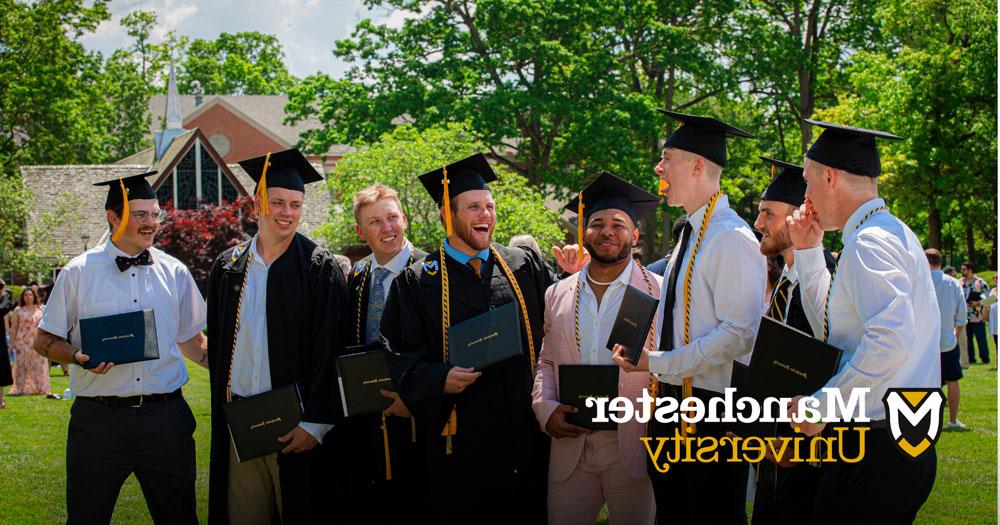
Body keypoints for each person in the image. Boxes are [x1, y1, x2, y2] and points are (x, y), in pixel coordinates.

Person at [380, 152, 558, 523]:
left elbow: (561, 325)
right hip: (461, 439)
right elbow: (398, 353)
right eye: (474, 206)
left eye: (490, 206)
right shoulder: (417, 282)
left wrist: (573, 279)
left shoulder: (522, 265)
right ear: (448, 214)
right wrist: (437, 378)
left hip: (526, 436)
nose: (486, 215)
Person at [612, 110, 766, 524]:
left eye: (668, 158)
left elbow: (740, 335)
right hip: (672, 406)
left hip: (710, 413)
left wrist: (658, 363)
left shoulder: (731, 238)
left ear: (698, 165)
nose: (659, 168)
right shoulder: (691, 234)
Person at [33, 171, 209, 524]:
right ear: (113, 217)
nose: (150, 223)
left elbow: (192, 341)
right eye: (139, 215)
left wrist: (238, 376)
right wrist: (77, 358)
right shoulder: (78, 272)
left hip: (166, 421)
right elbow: (44, 341)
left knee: (180, 518)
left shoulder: (175, 272)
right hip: (99, 424)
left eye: (154, 214)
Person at [786, 120, 939, 523]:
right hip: (899, 440)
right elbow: (830, 329)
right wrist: (807, 251)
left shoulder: (870, 242)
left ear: (830, 177)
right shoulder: (887, 233)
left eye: (808, 181)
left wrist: (822, 406)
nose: (806, 194)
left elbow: (890, 341)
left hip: (877, 447)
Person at [205, 148, 348, 525]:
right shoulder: (228, 267)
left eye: (296, 204)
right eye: (278, 202)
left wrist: (316, 423)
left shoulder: (320, 268)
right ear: (258, 202)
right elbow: (219, 348)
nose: (287, 212)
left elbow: (333, 349)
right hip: (243, 423)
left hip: (296, 426)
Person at [532, 172, 660, 524]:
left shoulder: (659, 293)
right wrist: (545, 409)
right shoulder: (557, 293)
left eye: (618, 224)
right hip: (572, 439)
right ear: (583, 232)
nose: (607, 232)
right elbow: (547, 359)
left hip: (633, 443)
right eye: (597, 223)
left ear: (634, 235)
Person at [750, 156, 837, 524]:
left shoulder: (826, 281)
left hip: (809, 454)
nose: (758, 224)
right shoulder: (784, 280)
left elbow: (831, 368)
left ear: (798, 215)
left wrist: (795, 440)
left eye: (768, 214)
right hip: (772, 451)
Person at [340, 182, 428, 523]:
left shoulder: (433, 272)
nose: (386, 227)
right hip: (368, 413)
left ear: (405, 220)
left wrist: (415, 398)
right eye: (375, 222)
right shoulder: (359, 275)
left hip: (417, 416)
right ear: (362, 232)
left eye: (392, 217)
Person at [926, 249, 968, 431]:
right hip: (947, 340)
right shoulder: (953, 283)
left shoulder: (921, 281)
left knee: (927, 383)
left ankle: (928, 422)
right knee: (953, 380)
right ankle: (952, 420)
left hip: (926, 342)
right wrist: (956, 336)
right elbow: (962, 315)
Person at [9, 288, 49, 396]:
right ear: (22, 297)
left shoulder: (40, 309)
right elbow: (14, 328)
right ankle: (20, 388)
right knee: (22, 365)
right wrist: (12, 343)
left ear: (34, 296)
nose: (28, 297)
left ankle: (40, 387)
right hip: (22, 341)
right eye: (25, 295)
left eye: (30, 294)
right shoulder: (18, 310)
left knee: (39, 365)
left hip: (37, 341)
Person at [960, 262, 991, 364]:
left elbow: (990, 299)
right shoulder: (960, 282)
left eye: (964, 269)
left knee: (981, 339)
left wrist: (978, 303)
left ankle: (985, 358)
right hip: (964, 316)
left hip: (978, 316)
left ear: (970, 270)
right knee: (968, 339)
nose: (962, 271)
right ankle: (971, 359)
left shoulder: (980, 282)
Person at [0, 279, 14, 408]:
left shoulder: (4, 303)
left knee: (1, 369)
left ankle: (0, 400)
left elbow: (6, 306)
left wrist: (4, 295)